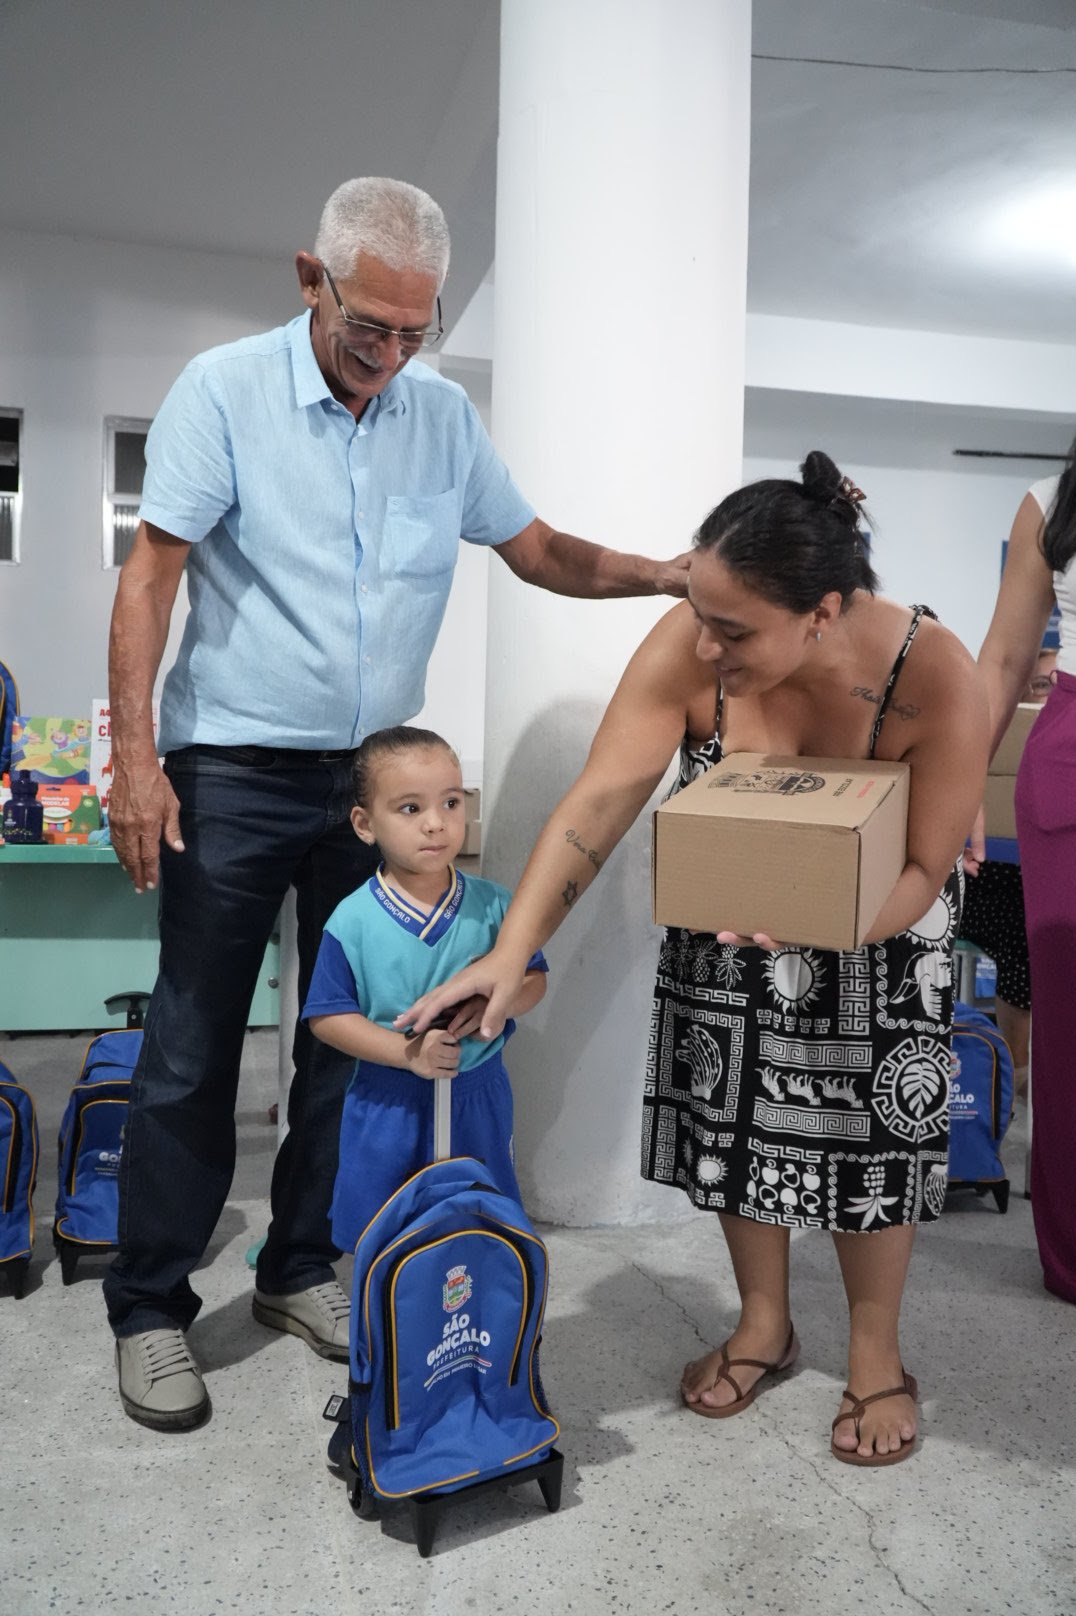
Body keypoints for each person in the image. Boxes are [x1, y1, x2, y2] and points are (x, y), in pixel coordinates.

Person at [105, 175, 690, 1431]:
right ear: (309, 278)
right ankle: (151, 1303)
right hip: (233, 771)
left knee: (353, 1034)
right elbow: (149, 578)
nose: (390, 354)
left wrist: (660, 572)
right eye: (369, 325)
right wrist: (135, 762)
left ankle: (296, 1267)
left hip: (367, 782)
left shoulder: (439, 418)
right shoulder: (226, 390)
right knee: (196, 1039)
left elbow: (535, 549)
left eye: (416, 332)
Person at [401, 453, 988, 1465]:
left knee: (870, 1139)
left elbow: (930, 862)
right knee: (726, 1123)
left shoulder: (930, 672)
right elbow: (596, 801)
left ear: (823, 611)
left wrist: (828, 918)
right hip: (726, 924)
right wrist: (512, 950)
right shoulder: (691, 641)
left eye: (734, 629)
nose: (705, 643)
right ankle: (764, 1322)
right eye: (700, 614)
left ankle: (875, 1352)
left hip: (884, 931)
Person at [303, 726, 546, 1250]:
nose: (437, 823)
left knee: (481, 1223)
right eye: (410, 808)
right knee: (387, 1230)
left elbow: (534, 979)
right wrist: (405, 1051)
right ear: (365, 824)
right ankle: (393, 1322)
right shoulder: (353, 920)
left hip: (477, 1094)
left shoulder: (496, 905)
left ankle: (471, 1323)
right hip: (390, 1100)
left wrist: (500, 1001)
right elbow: (327, 1016)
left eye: (451, 802)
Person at [977, 437, 1076, 1306]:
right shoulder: (1053, 501)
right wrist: (959, 785)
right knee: (1070, 1023)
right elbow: (1003, 664)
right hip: (1073, 754)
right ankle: (1075, 1254)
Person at [959, 650, 1057, 1093]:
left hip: (1044, 871)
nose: (1048, 694)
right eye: (1039, 684)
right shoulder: (989, 734)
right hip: (991, 876)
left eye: (1058, 684)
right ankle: (1017, 1070)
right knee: (1022, 935)